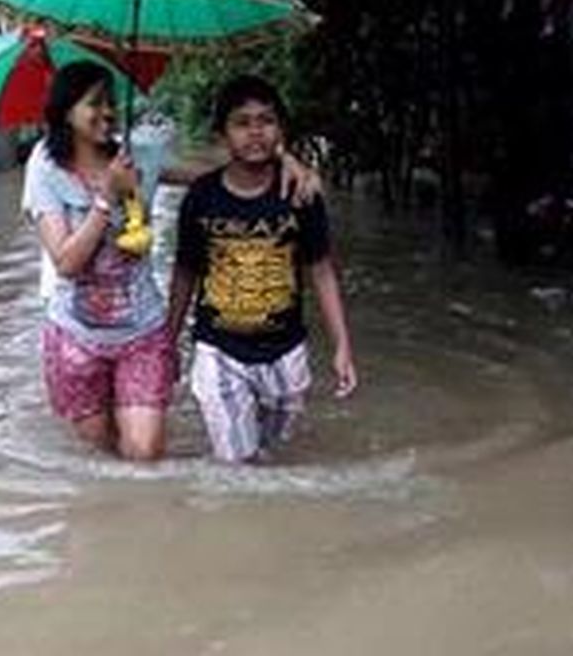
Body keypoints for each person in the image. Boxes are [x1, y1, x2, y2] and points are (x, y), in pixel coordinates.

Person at [21, 63, 323, 461]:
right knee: (97, 457)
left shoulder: (135, 154)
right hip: (77, 334)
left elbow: (216, 168)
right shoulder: (44, 166)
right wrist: (106, 198)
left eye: (111, 102)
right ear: (65, 110)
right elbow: (66, 263)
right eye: (95, 103)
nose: (108, 112)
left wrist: (282, 158)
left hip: (141, 330)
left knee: (143, 454)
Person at [167, 75, 357, 463]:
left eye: (266, 120)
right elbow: (185, 272)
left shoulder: (300, 195)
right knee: (238, 464)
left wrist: (342, 346)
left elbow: (321, 270)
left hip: (286, 350)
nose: (255, 132)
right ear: (222, 134)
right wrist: (168, 342)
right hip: (218, 350)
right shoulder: (201, 197)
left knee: (277, 457)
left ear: (281, 130)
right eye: (242, 122)